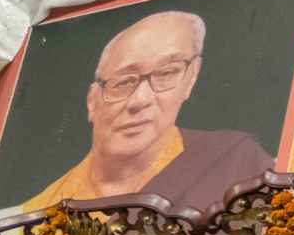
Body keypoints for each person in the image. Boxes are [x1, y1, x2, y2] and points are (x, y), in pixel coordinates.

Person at [21, 11, 274, 213]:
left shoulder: (232, 160)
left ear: (191, 78)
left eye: (166, 74)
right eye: (123, 82)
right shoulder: (41, 211)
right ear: (92, 101)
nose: (140, 101)